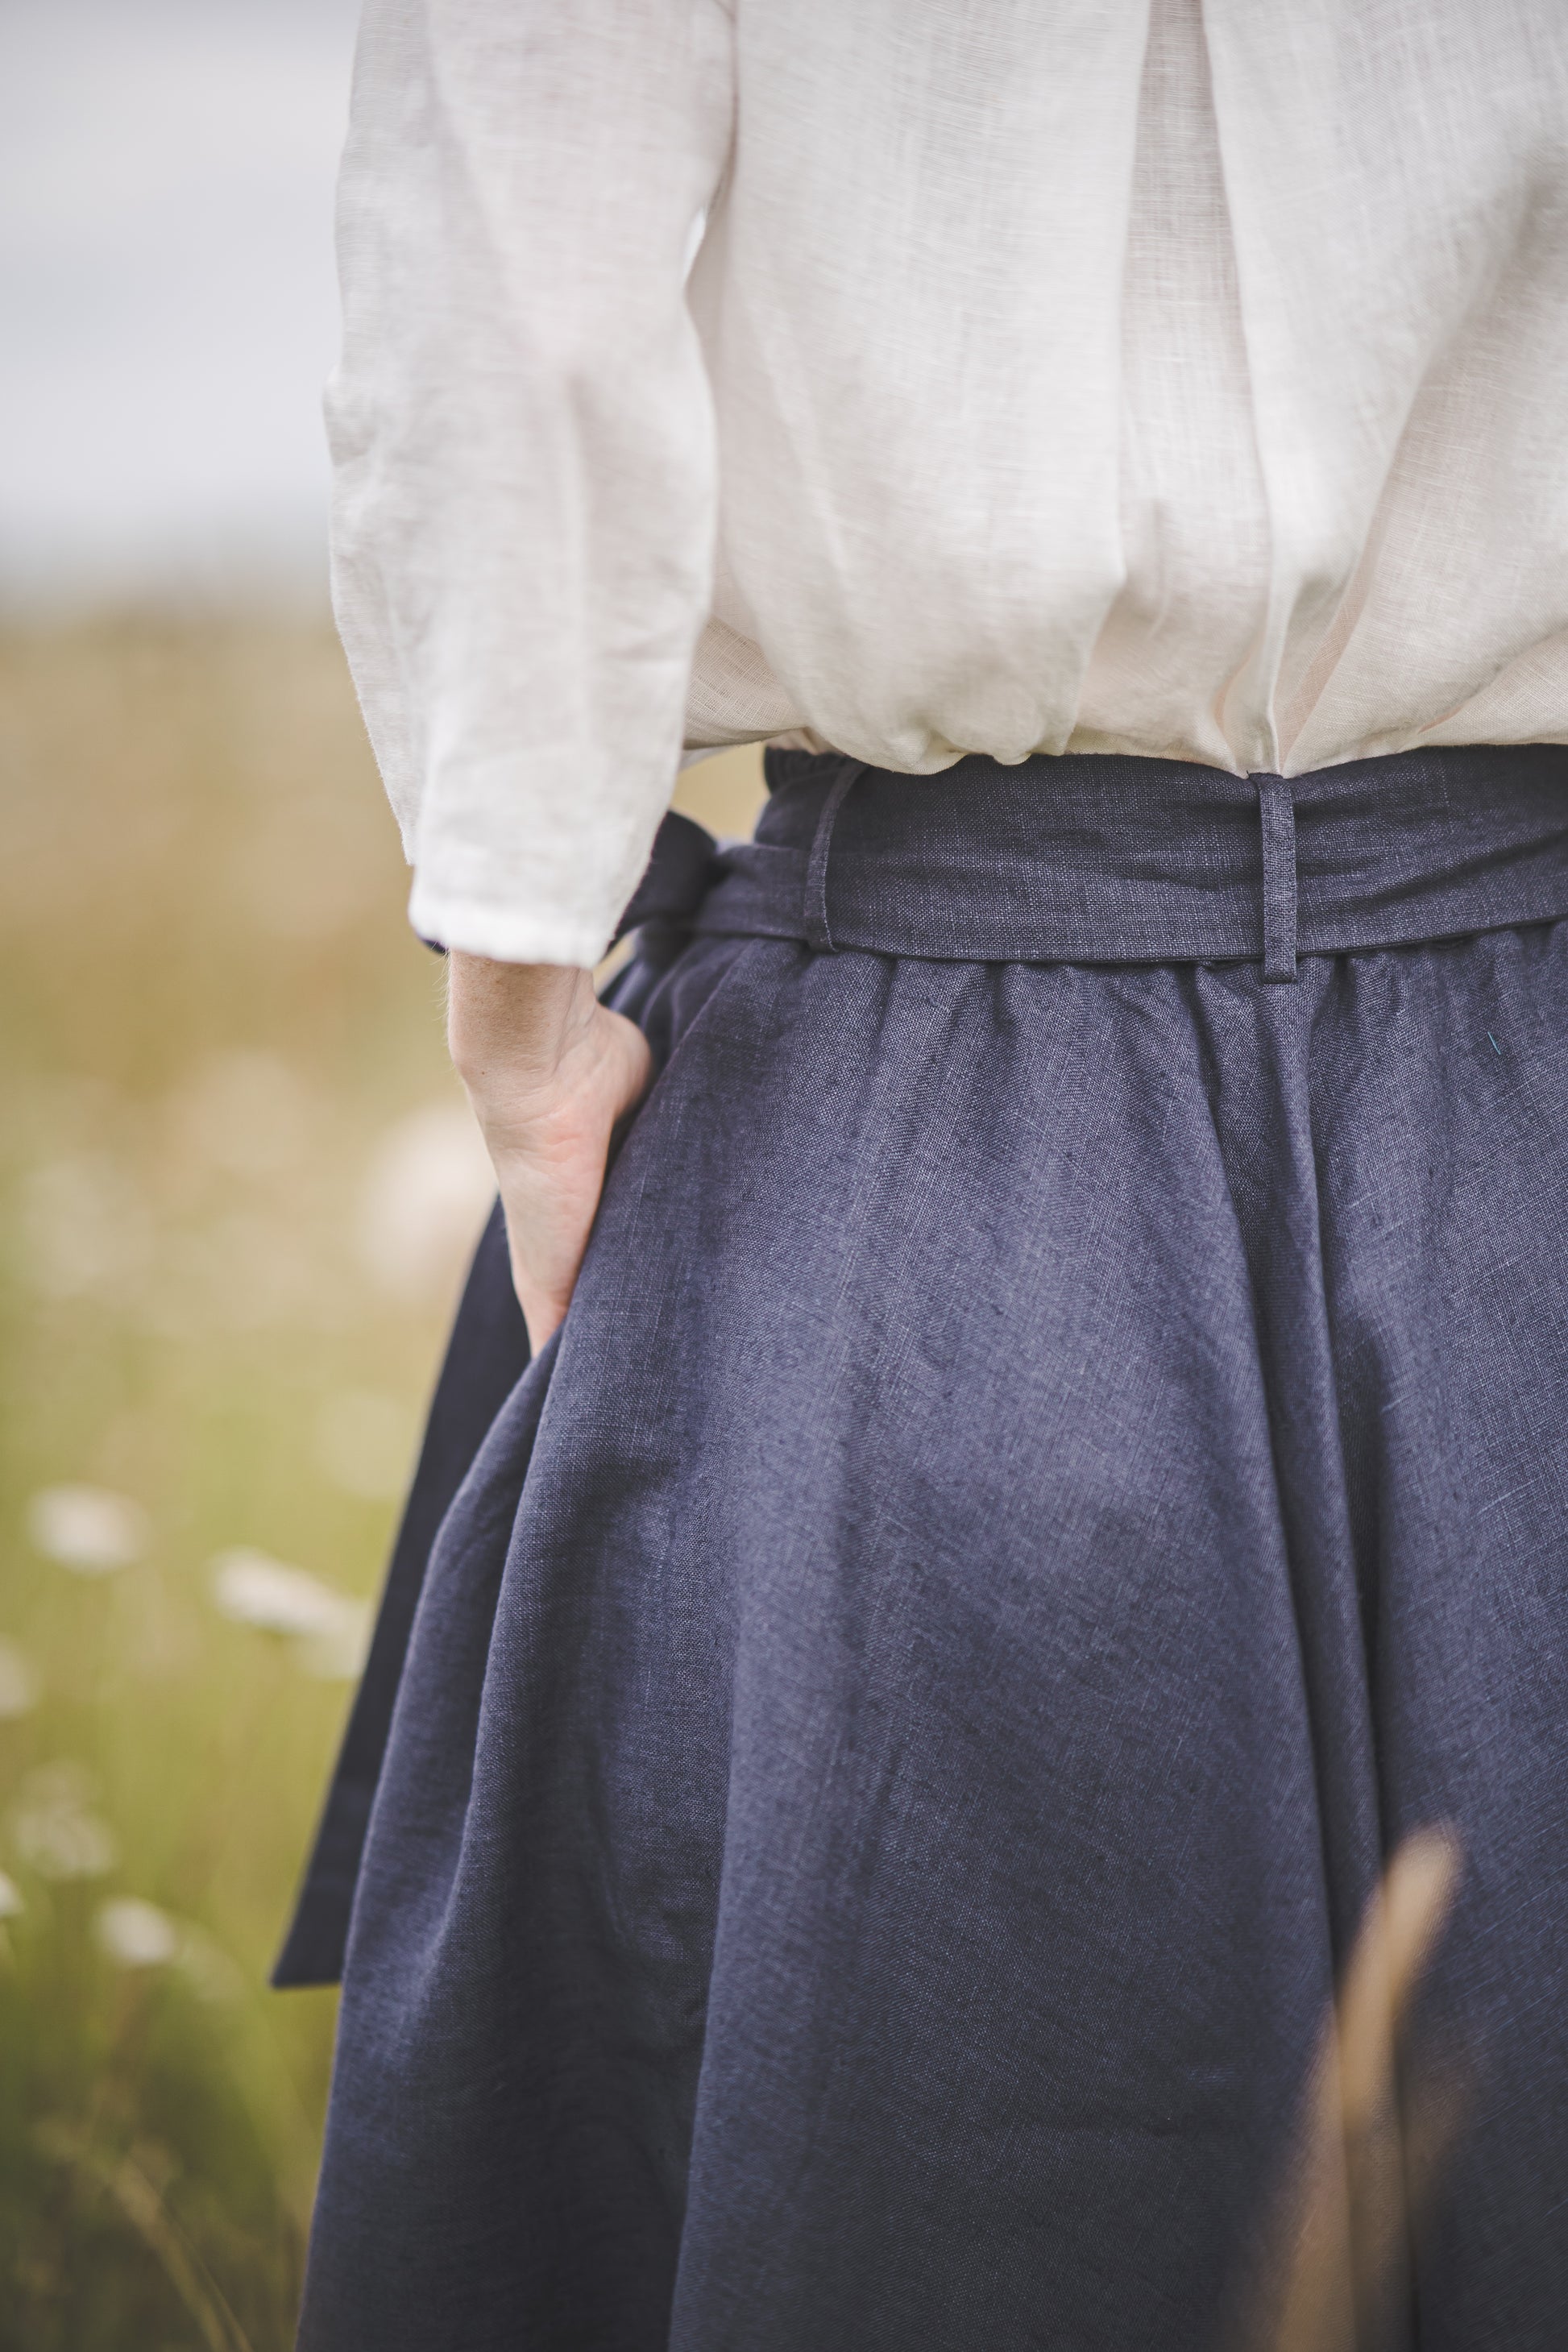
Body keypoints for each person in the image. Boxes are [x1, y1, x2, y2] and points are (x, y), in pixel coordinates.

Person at [279, 2, 1568, 2344]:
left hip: (921, 1118)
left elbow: (526, 302)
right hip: (1523, 1076)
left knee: (932, 2173)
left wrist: (524, 1034)